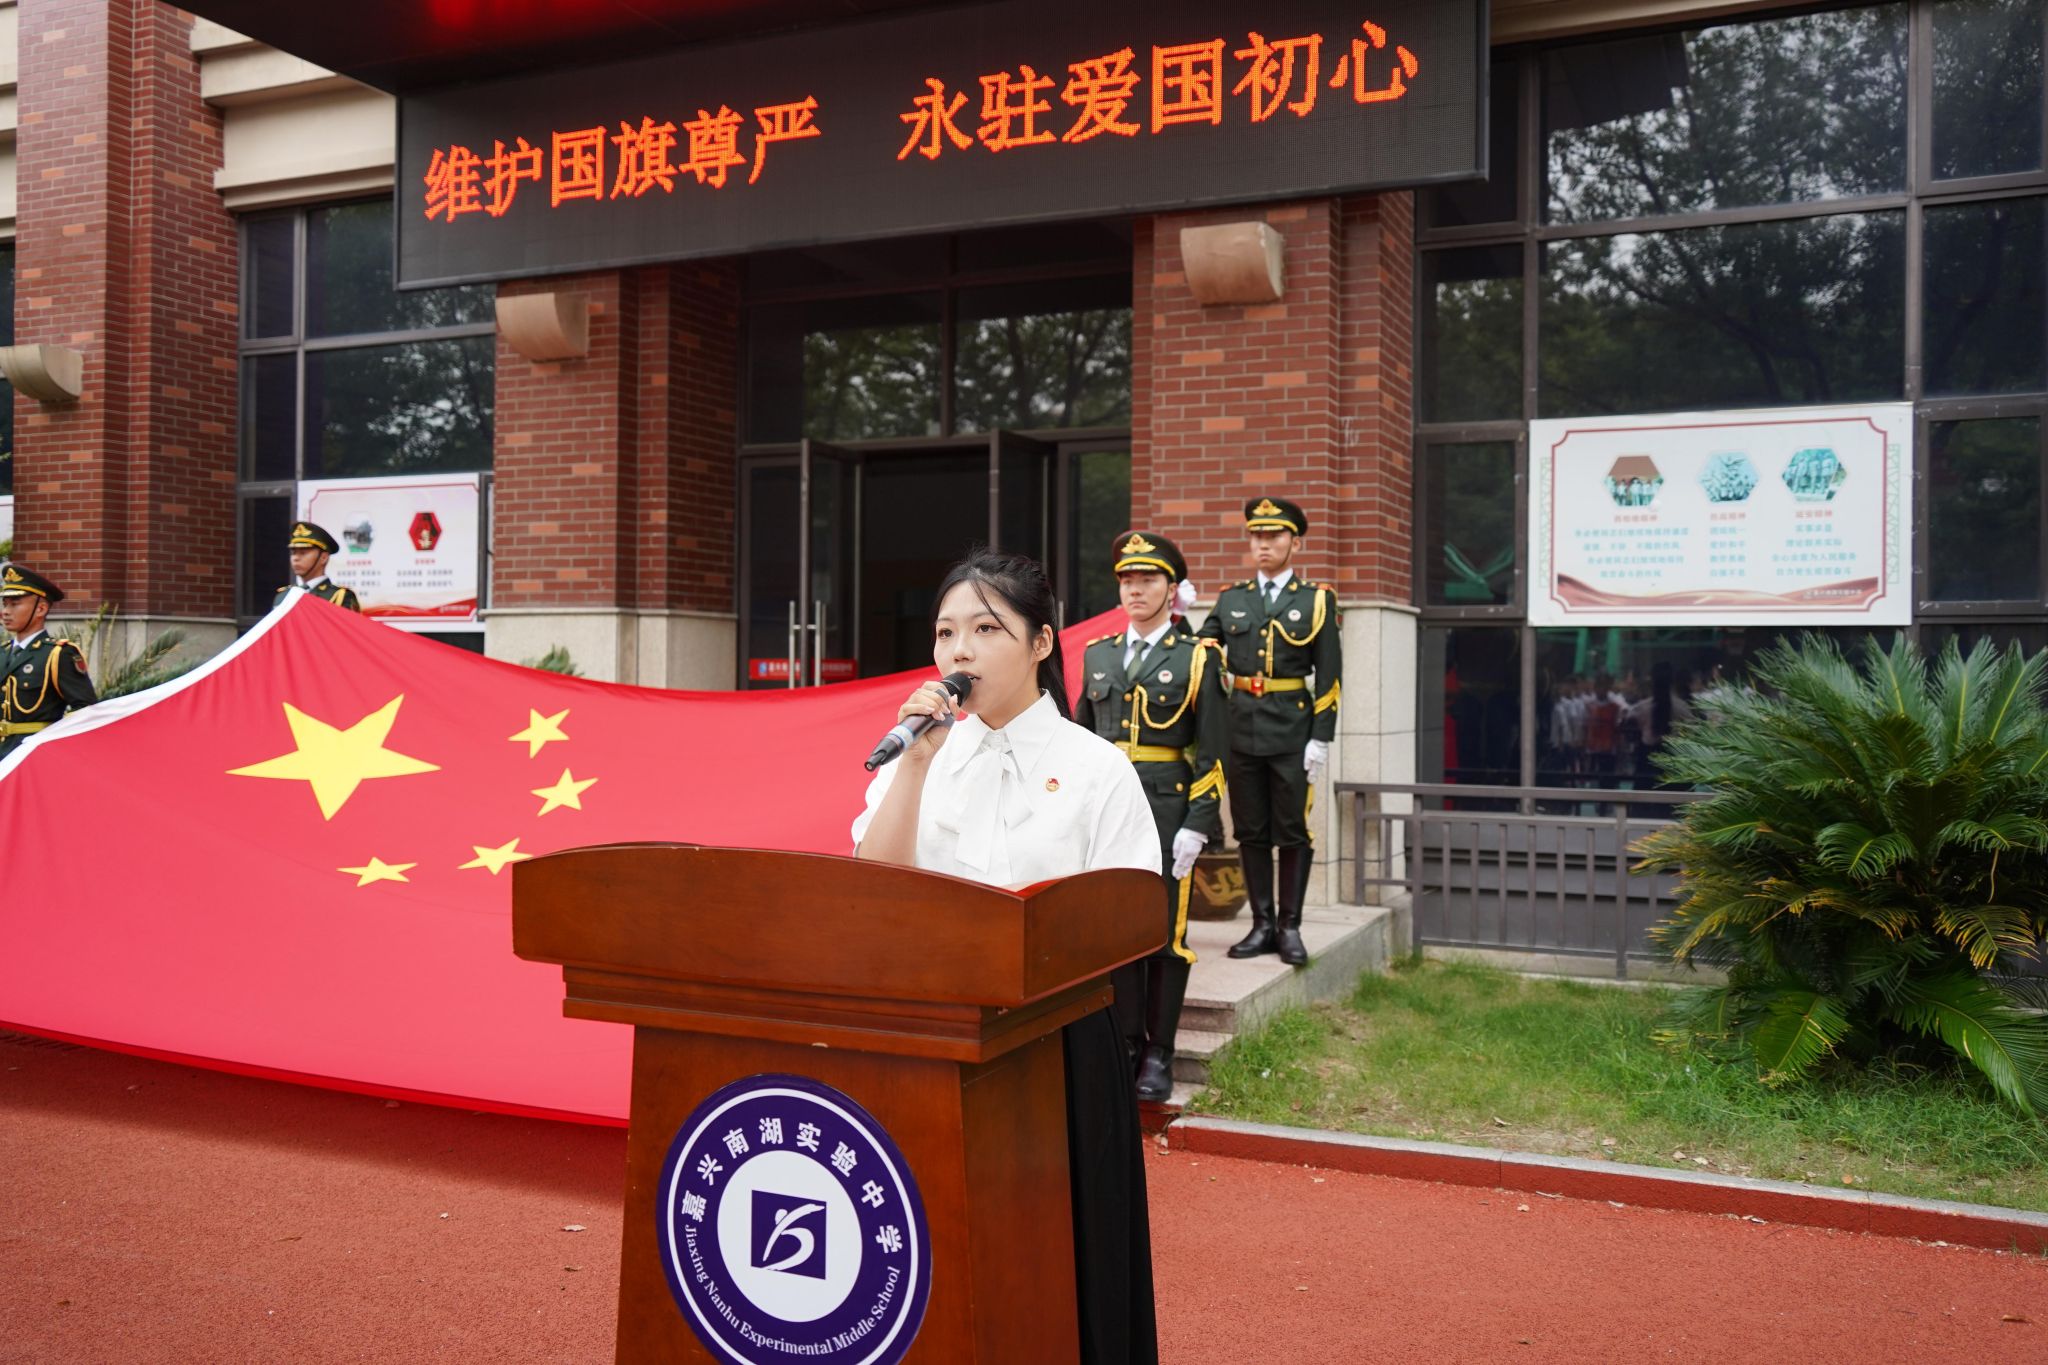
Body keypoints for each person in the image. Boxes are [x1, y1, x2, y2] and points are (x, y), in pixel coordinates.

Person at [852, 548, 1160, 1365]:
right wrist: (916, 764)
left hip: (1057, 1043)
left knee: (1061, 1254)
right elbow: (874, 886)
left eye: (987, 629)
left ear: (1041, 643)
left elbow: (1130, 917)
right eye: (946, 631)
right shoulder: (925, 754)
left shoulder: (1097, 767)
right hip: (933, 1035)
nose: (960, 650)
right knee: (934, 1249)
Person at [1072, 531, 1229, 1102]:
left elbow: (1213, 751)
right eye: (1127, 581)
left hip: (1166, 807)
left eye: (1147, 580)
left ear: (1171, 589)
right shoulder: (1098, 654)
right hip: (1106, 808)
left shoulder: (1198, 657)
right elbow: (1079, 738)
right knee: (1118, 932)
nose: (1135, 590)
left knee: (1164, 933)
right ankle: (1126, 1047)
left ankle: (1159, 1053)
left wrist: (1198, 822)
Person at [1197, 496, 1342, 968]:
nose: (1263, 543)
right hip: (1240, 730)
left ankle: (1290, 926)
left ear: (1295, 543)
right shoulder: (1232, 598)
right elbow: (1202, 648)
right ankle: (1261, 925)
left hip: (1293, 731)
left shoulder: (1316, 600)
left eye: (1274, 535)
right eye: (1257, 536)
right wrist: (1179, 620)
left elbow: (1330, 676)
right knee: (1251, 830)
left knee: (1292, 829)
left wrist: (1321, 737)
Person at [0, 563, 97, 761]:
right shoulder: (3, 652)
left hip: (34, 757)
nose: (5, 612)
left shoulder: (58, 654)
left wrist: (55, 744)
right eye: (5, 604)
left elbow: (85, 711)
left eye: (15, 604)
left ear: (41, 609)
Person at [274, 522, 362, 611]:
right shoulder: (283, 596)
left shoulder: (340, 597)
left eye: (303, 553)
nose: (295, 558)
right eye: (293, 553)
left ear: (323, 557)